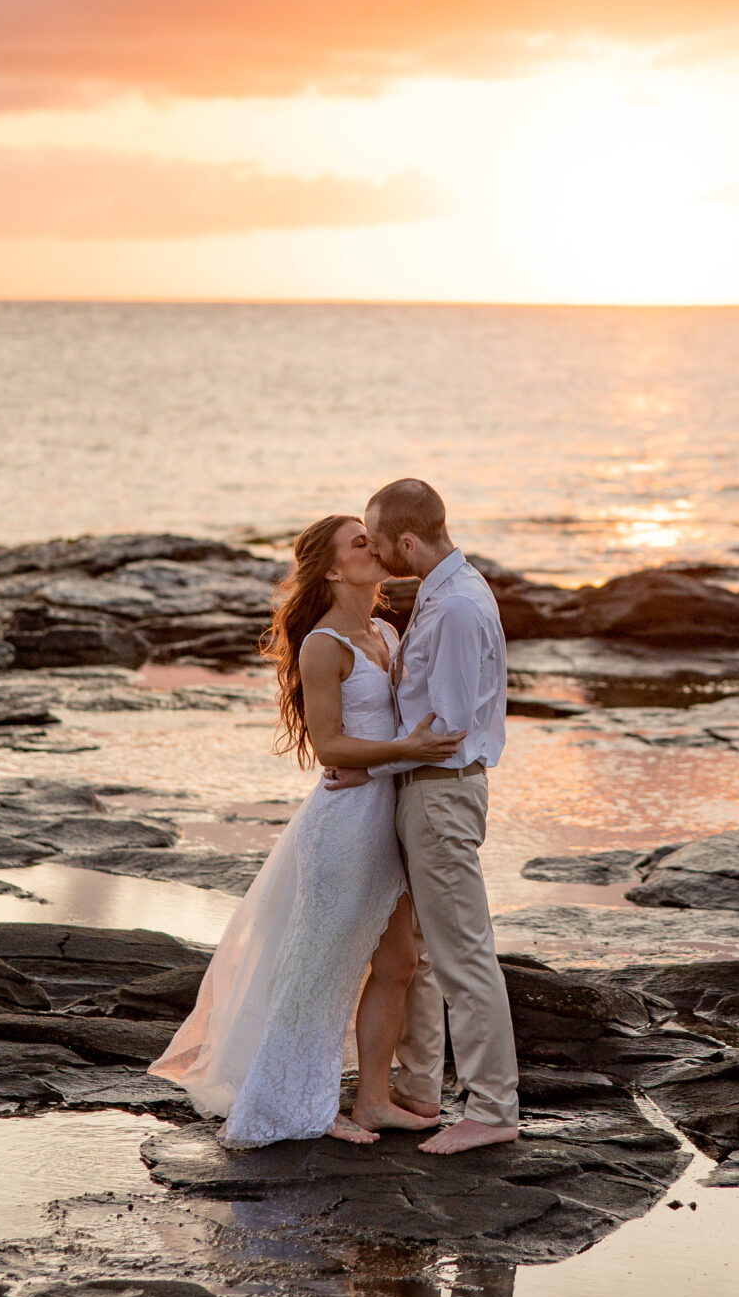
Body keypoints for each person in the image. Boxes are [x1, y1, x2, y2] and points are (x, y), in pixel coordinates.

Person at [148, 514, 464, 1147]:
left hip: (390, 815)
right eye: (359, 543)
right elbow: (330, 745)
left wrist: (408, 756)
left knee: (399, 962)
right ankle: (293, 1107)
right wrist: (406, 751)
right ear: (331, 568)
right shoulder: (324, 645)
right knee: (321, 969)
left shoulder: (383, 630)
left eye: (372, 539)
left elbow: (395, 728)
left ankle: (373, 1100)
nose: (373, 548)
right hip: (347, 824)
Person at [322, 476, 519, 1154]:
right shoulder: (440, 593)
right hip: (422, 789)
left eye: (379, 542)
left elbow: (450, 726)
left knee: (463, 952)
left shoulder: (458, 606)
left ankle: (493, 1108)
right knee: (431, 954)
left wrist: (366, 766)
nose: (375, 554)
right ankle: (418, 1088)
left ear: (408, 539)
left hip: (441, 791)